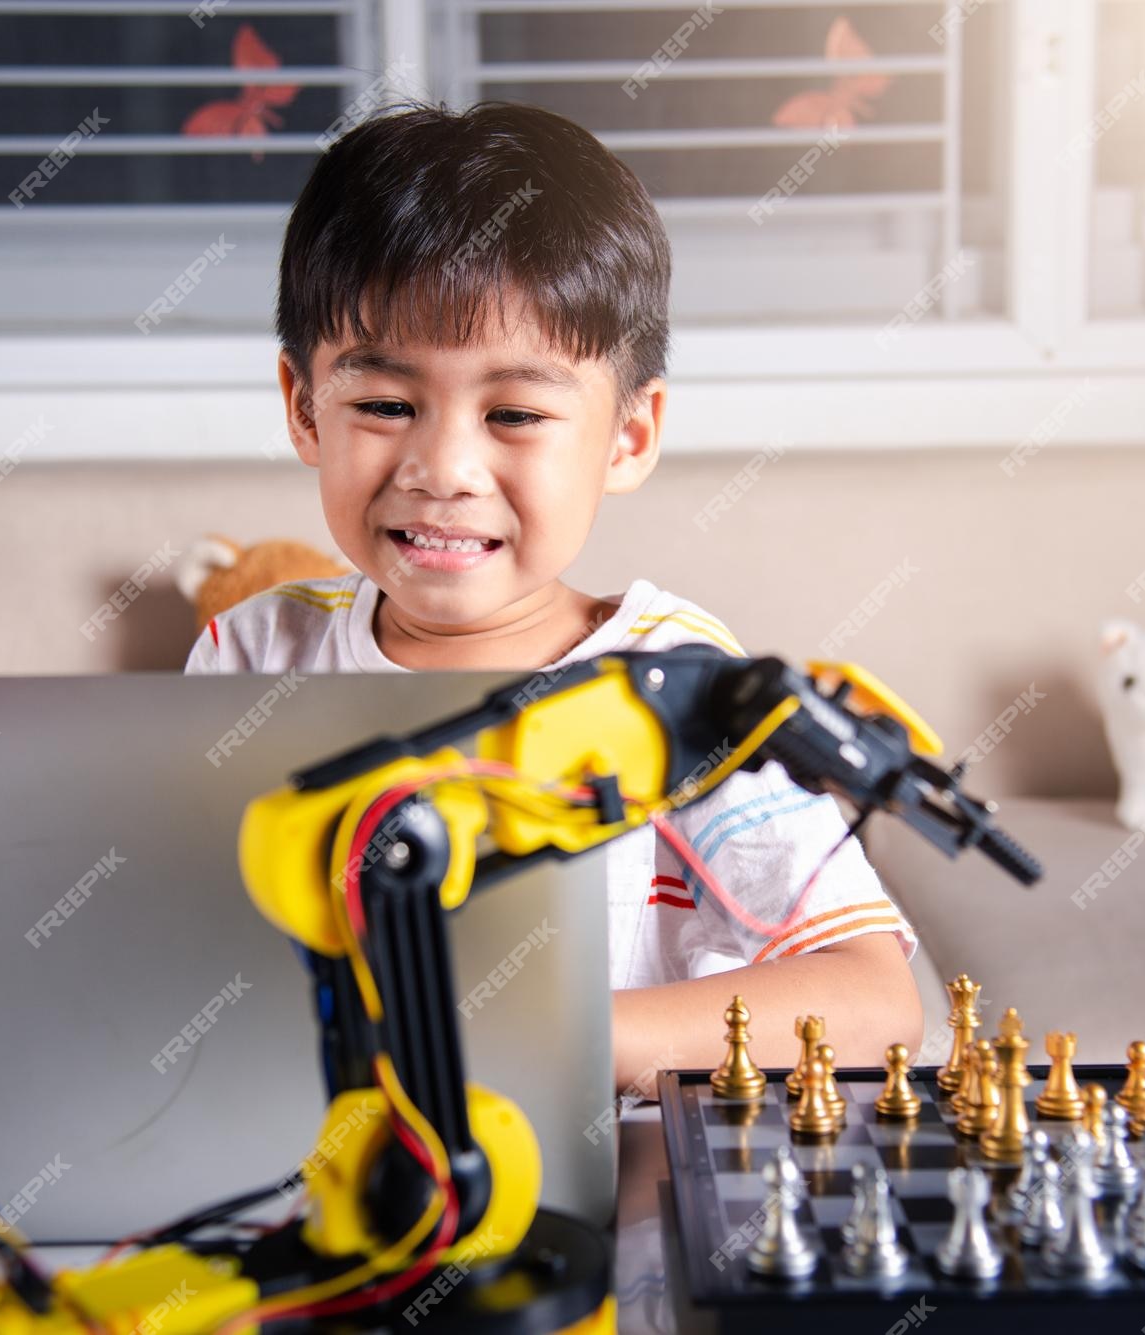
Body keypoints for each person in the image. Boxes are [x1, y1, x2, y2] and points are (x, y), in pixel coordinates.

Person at [185, 101, 922, 1091]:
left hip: (598, 1195)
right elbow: (171, 964)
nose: (442, 468)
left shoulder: (678, 686)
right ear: (300, 408)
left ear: (627, 435)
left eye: (516, 412)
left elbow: (872, 1006)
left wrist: (545, 1042)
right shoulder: (246, 656)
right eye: (384, 405)